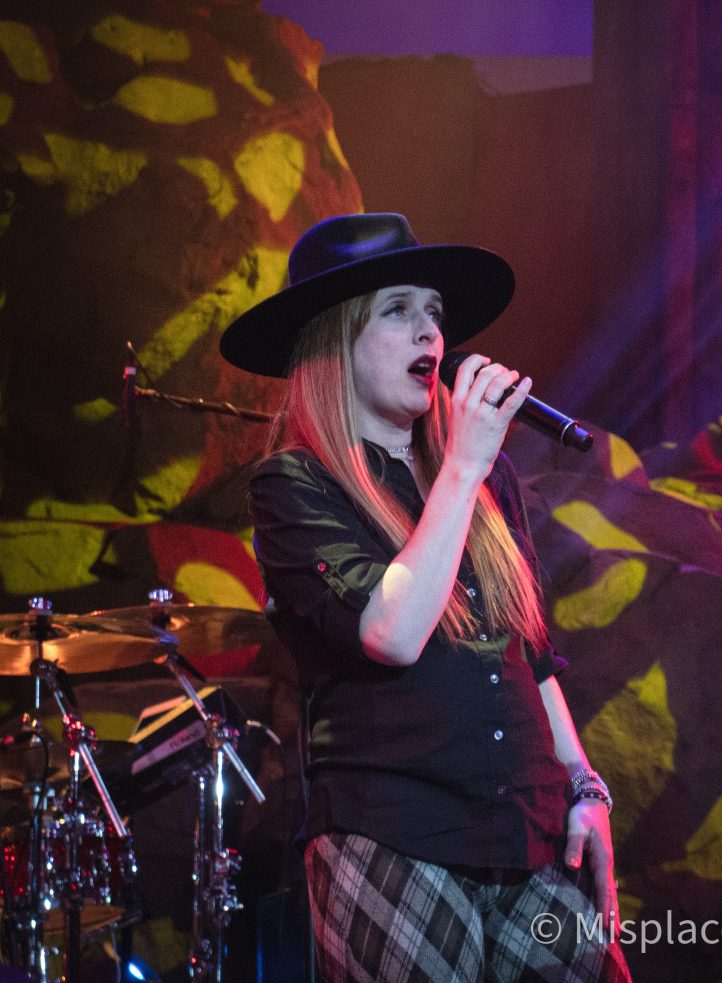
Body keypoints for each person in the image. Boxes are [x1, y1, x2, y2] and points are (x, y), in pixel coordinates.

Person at [220, 213, 631, 982]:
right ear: (334, 340)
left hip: (531, 830)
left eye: (435, 312)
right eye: (398, 310)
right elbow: (393, 630)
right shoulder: (295, 485)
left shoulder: (486, 478)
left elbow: (531, 655)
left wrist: (585, 788)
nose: (430, 333)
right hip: (394, 835)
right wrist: (463, 468)